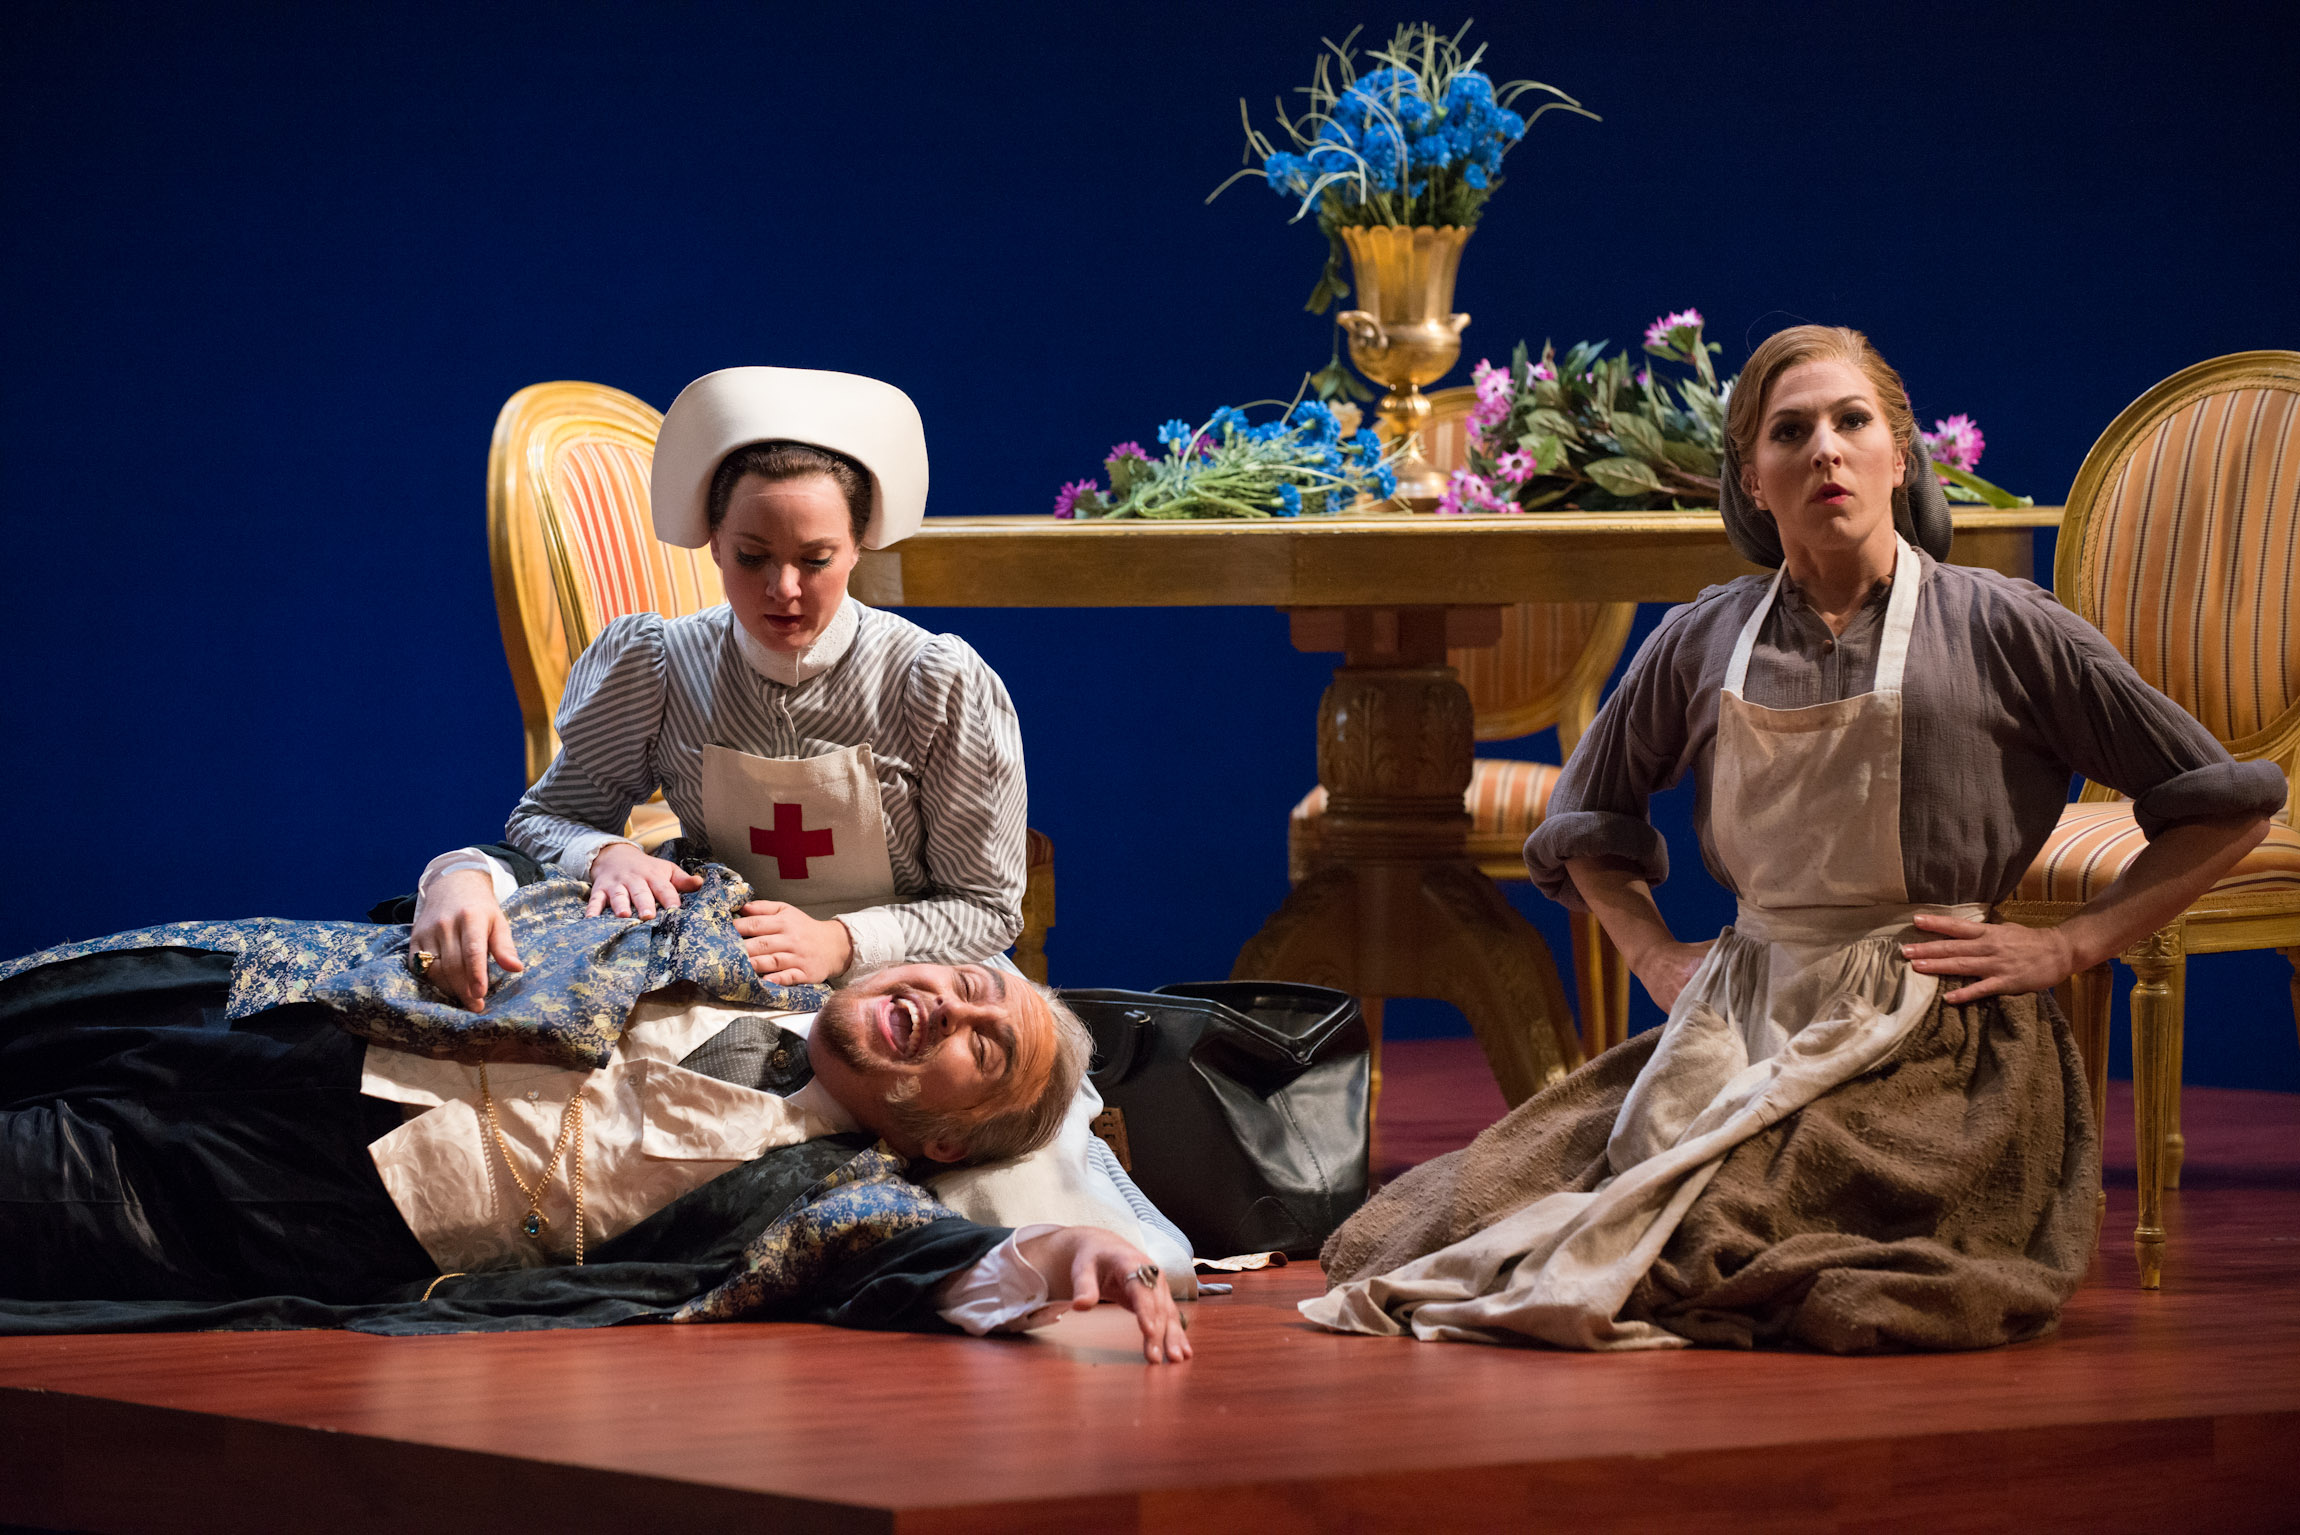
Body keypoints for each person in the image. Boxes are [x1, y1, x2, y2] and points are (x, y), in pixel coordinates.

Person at [1306, 324, 2283, 1354]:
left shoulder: (2004, 626)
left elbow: (2225, 806)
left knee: (1725, 1223)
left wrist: (2071, 944)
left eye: (1851, 421)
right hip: (1743, 1017)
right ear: (1752, 479)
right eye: (1790, 431)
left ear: (1899, 458)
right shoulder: (1702, 638)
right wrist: (1654, 955)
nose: (1824, 449)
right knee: (1464, 1213)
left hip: (1937, 1038)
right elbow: (1584, 823)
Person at [0, 863, 1191, 1363]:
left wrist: (1059, 1251)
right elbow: (516, 869)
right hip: (270, 1010)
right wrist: (459, 878)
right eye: (966, 983)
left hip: (256, 1196)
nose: (947, 1005)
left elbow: (935, 1261)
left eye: (985, 1044)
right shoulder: (724, 924)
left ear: (944, 1140)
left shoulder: (828, 1197)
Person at [494, 365, 1027, 992]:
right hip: (722, 969)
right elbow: (543, 819)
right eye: (752, 557)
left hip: (910, 979)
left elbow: (987, 908)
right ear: (715, 544)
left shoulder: (931, 682)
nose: (784, 589)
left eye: (816, 559)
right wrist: (606, 854)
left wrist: (842, 941)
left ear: (858, 546)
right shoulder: (660, 667)